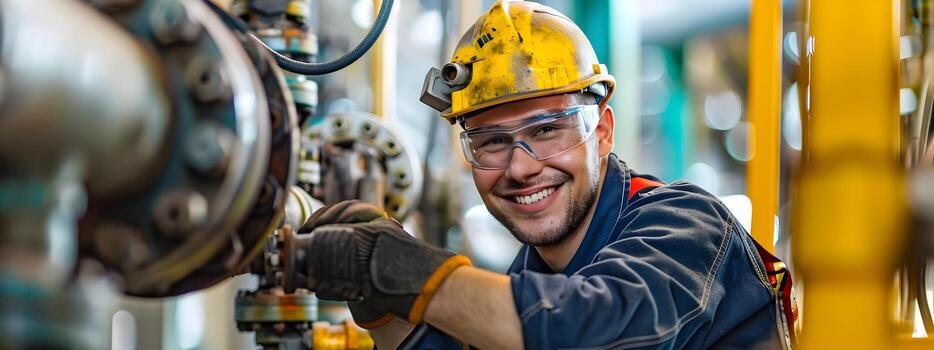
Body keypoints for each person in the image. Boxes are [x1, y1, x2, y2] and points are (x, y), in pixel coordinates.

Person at [295, 1, 797, 348]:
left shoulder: (687, 228)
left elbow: (589, 334)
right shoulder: (532, 277)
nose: (520, 167)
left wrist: (403, 268)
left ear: (603, 131)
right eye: (490, 141)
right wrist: (379, 303)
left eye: (548, 131)